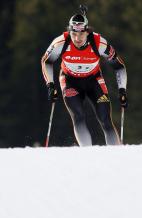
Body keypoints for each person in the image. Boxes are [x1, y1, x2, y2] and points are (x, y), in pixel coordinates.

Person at [41, 6, 128, 146]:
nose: (77, 38)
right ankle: (87, 155)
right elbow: (46, 62)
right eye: (73, 33)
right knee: (78, 116)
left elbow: (119, 66)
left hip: (94, 80)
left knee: (105, 119)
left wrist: (122, 90)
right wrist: (50, 85)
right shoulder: (60, 43)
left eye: (81, 34)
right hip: (69, 81)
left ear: (87, 31)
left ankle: (116, 155)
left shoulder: (99, 42)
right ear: (69, 31)